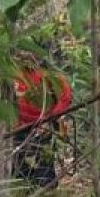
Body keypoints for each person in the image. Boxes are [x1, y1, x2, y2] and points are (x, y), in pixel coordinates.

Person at [12, 52, 72, 188]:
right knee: (18, 163)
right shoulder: (13, 77)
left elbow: (64, 97)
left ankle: (45, 190)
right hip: (19, 127)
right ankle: (25, 190)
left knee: (44, 163)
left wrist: (49, 118)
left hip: (43, 126)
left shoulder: (49, 77)